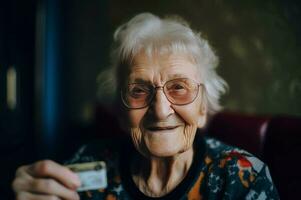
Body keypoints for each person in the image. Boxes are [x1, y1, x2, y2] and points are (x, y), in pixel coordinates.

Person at [12, 13, 279, 200]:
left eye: (179, 87)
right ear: (120, 111)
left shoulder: (241, 177)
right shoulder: (91, 164)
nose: (161, 110)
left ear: (202, 107)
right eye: (138, 91)